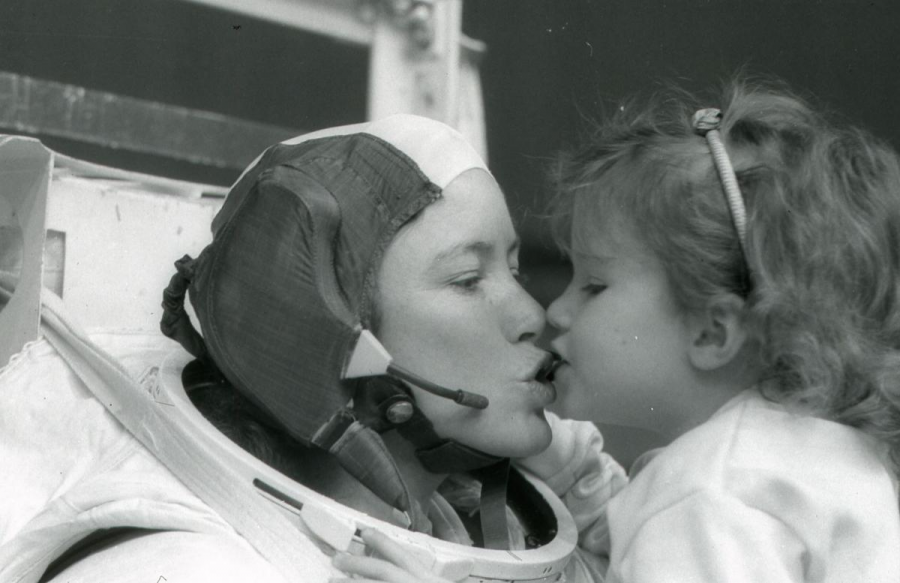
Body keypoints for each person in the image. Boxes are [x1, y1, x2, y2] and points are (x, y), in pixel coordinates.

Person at [0, 114, 623, 583]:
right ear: (325, 341)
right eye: (467, 280)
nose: (531, 315)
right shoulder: (187, 567)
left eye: (513, 269)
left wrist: (564, 456)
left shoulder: (478, 528)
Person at [543, 78, 900, 581]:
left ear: (712, 333)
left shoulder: (708, 491)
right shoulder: (837, 454)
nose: (557, 312)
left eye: (594, 286)